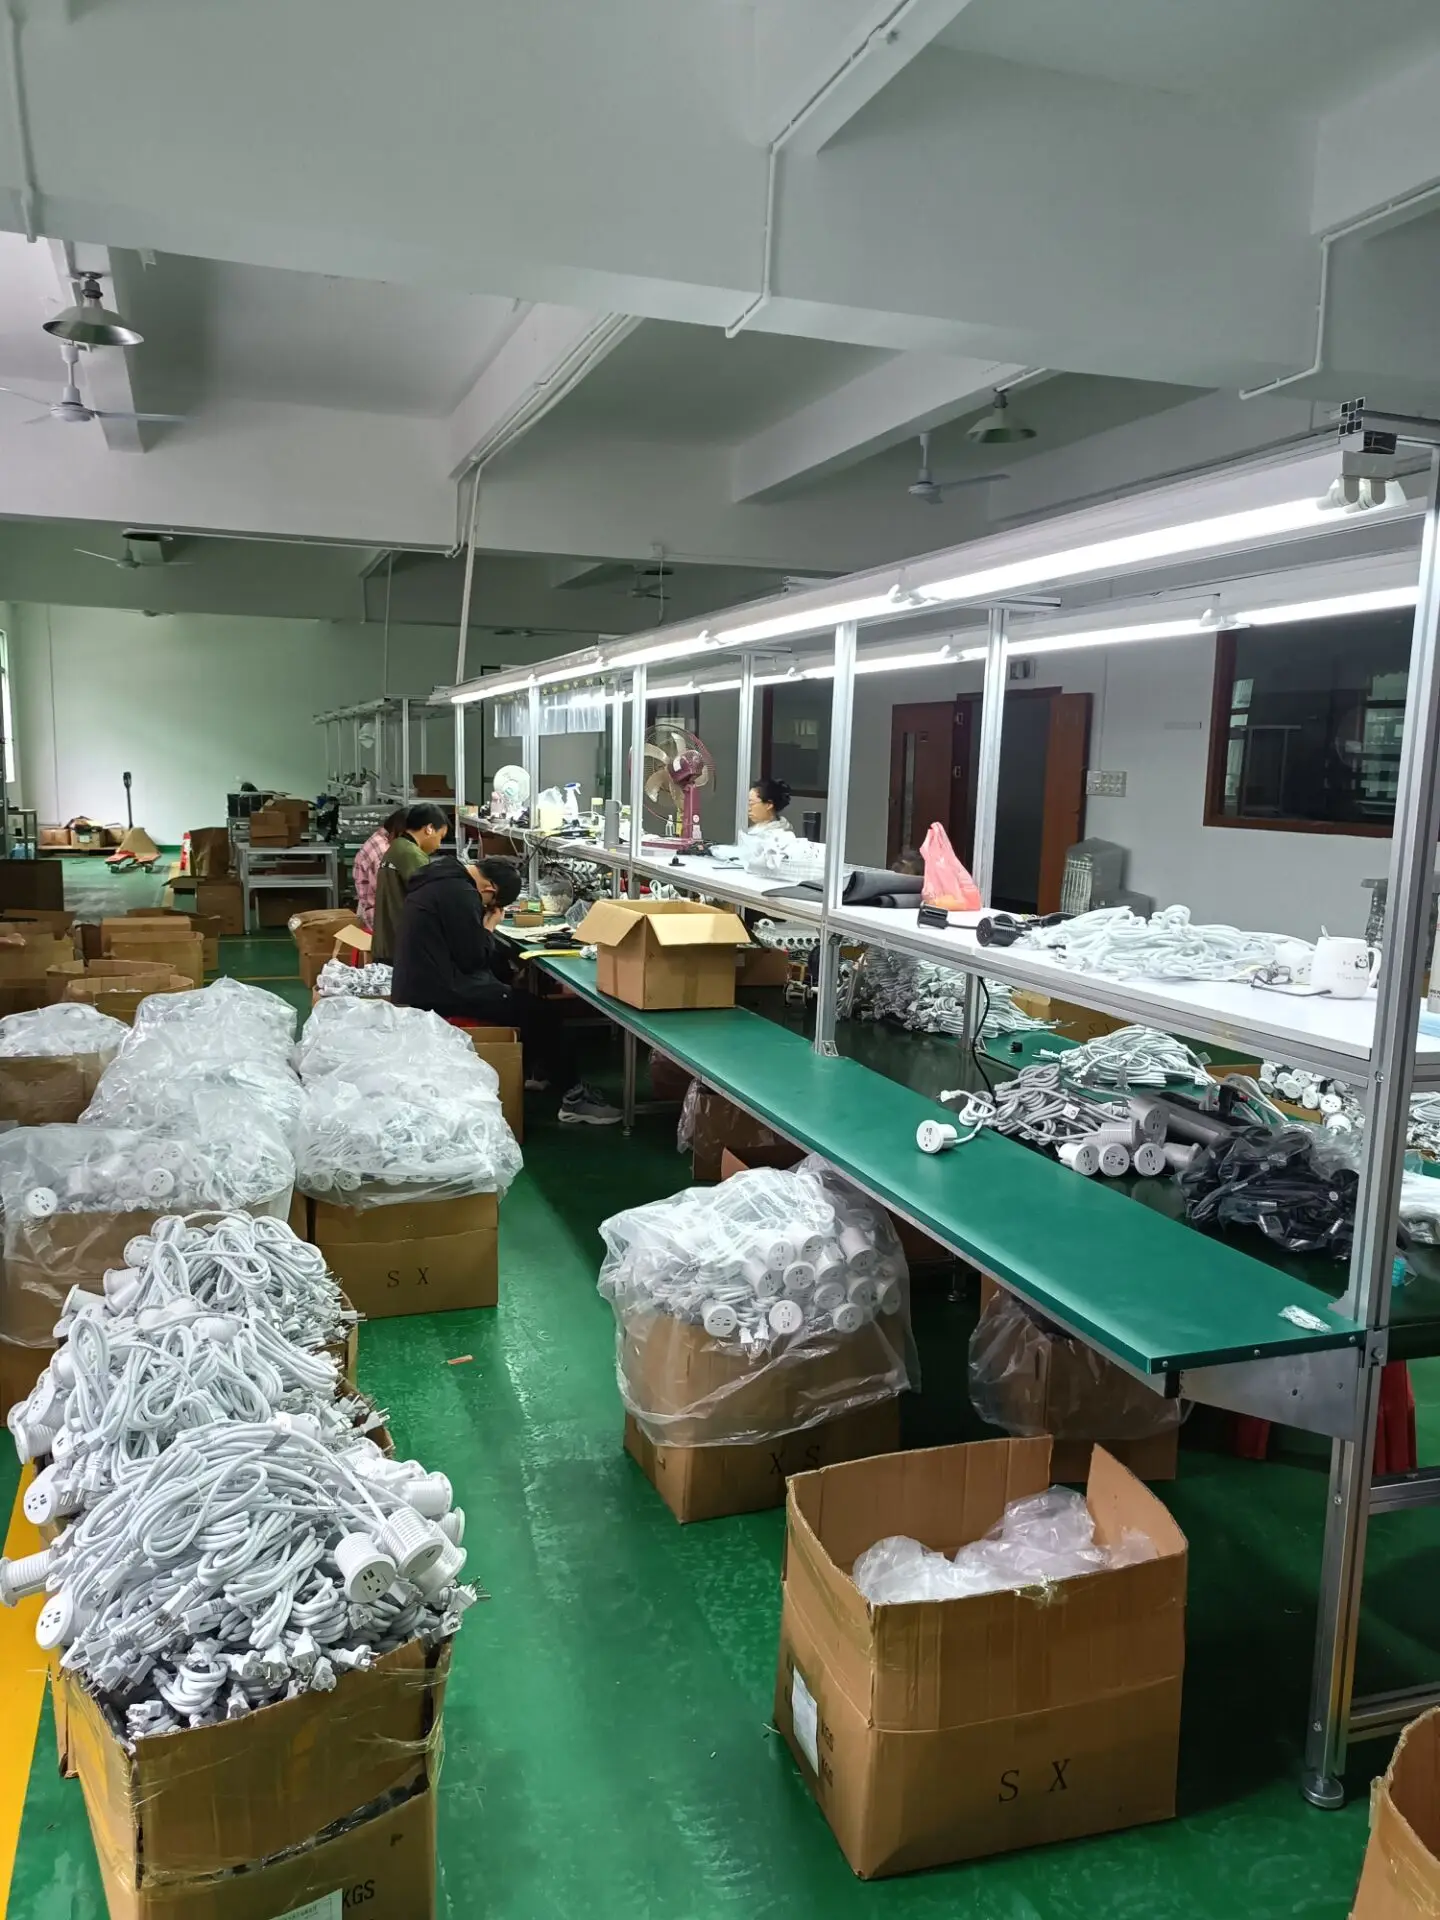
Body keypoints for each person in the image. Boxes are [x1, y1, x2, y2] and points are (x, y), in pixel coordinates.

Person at [391, 852, 621, 1126]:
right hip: (441, 991)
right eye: (490, 905)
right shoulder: (461, 893)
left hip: (420, 983)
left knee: (519, 997)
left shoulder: (439, 879)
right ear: (490, 889)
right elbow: (473, 958)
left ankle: (535, 1074)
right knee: (543, 1015)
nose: (486, 908)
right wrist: (489, 927)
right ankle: (574, 1100)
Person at [372, 803, 447, 964]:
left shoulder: (399, 846)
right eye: (440, 836)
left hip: (389, 942)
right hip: (401, 946)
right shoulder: (411, 854)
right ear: (429, 829)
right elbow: (432, 897)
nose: (439, 844)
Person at [353, 808, 407, 931]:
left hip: (371, 910)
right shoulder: (384, 851)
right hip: (377, 919)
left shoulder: (380, 838)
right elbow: (388, 895)